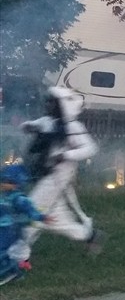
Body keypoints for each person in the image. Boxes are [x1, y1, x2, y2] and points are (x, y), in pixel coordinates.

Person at [9, 86, 103, 267]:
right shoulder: (48, 122)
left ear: (61, 105)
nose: (48, 105)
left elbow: (91, 148)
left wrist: (66, 155)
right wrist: (27, 126)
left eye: (52, 102)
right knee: (57, 219)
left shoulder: (73, 127)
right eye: (48, 101)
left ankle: (19, 258)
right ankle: (89, 235)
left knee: (31, 213)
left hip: (56, 179)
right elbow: (33, 125)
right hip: (45, 176)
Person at [1, 164, 47, 286]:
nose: (4, 184)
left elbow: (30, 210)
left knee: (5, 250)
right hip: (3, 228)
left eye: (8, 182)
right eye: (3, 181)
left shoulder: (19, 198)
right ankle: (11, 268)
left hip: (12, 230)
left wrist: (41, 217)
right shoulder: (4, 197)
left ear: (17, 184)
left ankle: (15, 270)